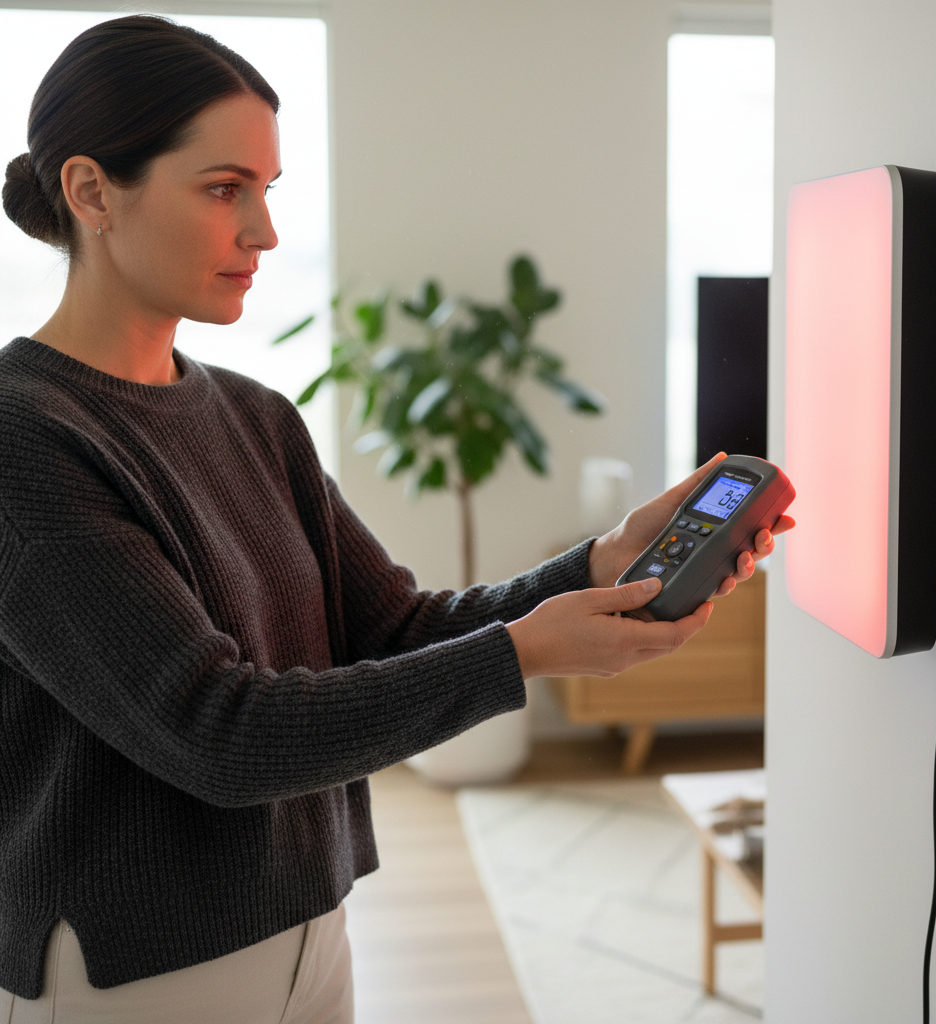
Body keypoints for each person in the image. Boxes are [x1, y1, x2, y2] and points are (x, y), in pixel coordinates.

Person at [0, 15, 793, 1024]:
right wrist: (522, 656)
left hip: (309, 931)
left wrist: (597, 562)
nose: (264, 231)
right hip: (132, 973)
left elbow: (394, 629)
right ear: (90, 191)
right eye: (222, 189)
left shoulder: (254, 415)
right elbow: (218, 732)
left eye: (268, 191)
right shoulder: (25, 441)